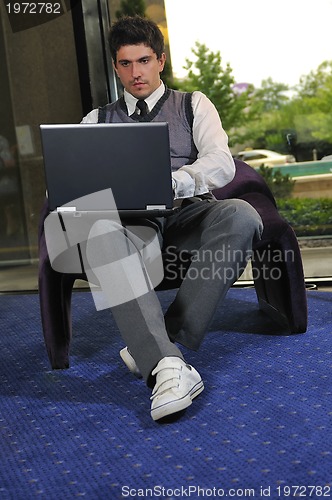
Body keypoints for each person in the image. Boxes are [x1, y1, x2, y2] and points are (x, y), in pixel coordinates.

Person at [80, 15, 263, 422]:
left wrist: (175, 181)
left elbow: (220, 162)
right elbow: (72, 180)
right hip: (130, 224)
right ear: (115, 67)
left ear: (160, 60)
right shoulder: (96, 120)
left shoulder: (193, 104)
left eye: (143, 61)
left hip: (188, 214)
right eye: (125, 64)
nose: (135, 72)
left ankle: (158, 344)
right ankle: (168, 363)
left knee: (242, 216)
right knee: (99, 235)